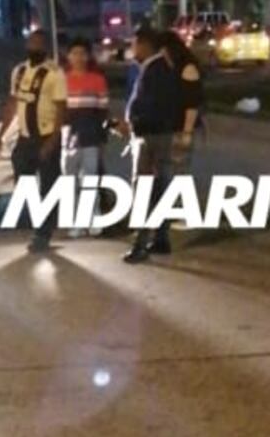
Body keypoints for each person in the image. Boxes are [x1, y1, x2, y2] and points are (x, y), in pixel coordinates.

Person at [123, 24, 203, 264]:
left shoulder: (156, 69)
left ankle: (141, 244)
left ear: (146, 45)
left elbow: (154, 107)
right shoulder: (156, 67)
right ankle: (160, 238)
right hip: (156, 135)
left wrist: (134, 124)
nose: (132, 49)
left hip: (153, 138)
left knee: (146, 190)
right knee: (159, 189)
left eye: (134, 44)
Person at [0, 26, 67, 253]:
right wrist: (1, 133)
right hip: (25, 139)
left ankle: (43, 233)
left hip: (45, 137)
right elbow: (12, 104)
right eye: (31, 43)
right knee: (24, 182)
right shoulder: (19, 72)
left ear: (45, 47)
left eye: (38, 44)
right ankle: (40, 222)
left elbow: (61, 110)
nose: (33, 47)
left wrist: (52, 142)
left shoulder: (54, 74)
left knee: (49, 184)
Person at [62, 38, 111, 232]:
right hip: (68, 138)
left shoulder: (97, 80)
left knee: (90, 179)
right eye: (74, 53)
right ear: (69, 56)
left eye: (82, 53)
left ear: (88, 56)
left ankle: (94, 220)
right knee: (70, 181)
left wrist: (102, 138)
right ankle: (76, 223)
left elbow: (103, 111)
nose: (78, 58)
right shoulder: (62, 79)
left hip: (91, 135)